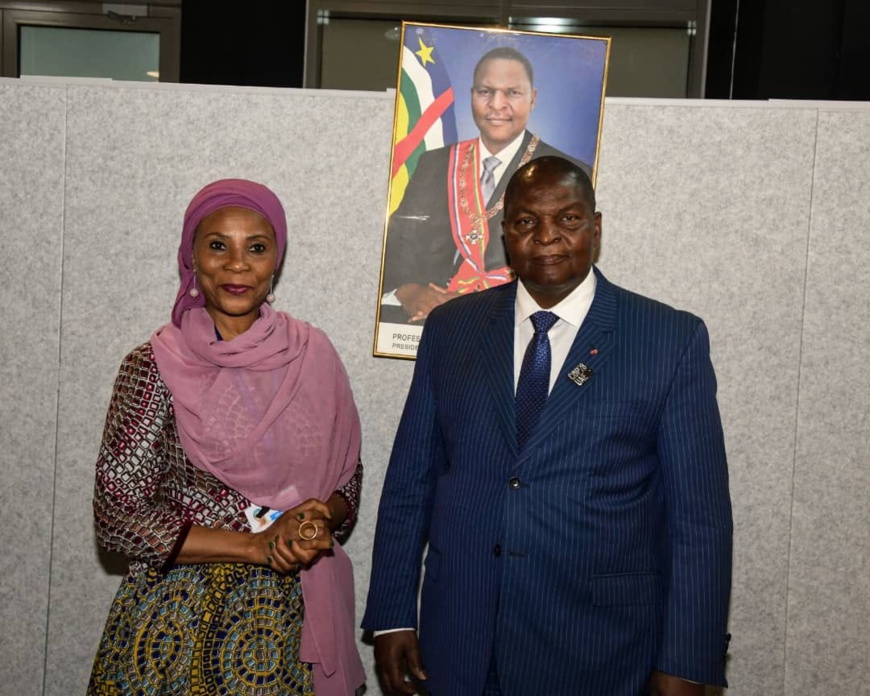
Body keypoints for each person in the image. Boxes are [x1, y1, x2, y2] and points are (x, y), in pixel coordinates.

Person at [363, 157, 733, 695]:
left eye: (569, 220)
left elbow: (699, 522)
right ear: (505, 232)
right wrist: (394, 613)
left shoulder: (668, 340)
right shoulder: (452, 329)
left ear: (597, 227)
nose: (547, 238)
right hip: (461, 641)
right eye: (526, 222)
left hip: (600, 651)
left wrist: (686, 662)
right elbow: (409, 484)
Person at [88, 179, 365, 696]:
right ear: (191, 256)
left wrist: (316, 518)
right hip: (176, 626)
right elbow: (118, 519)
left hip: (292, 621)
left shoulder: (314, 356)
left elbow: (347, 481)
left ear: (276, 259)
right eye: (218, 245)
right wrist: (256, 546)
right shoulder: (153, 366)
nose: (237, 265)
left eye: (256, 248)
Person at [380, 46, 593, 325]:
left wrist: (474, 305)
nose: (496, 104)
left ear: (533, 99)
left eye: (512, 93)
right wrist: (411, 292)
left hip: (513, 324)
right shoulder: (434, 163)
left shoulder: (568, 173)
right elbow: (398, 244)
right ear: (472, 96)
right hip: (426, 320)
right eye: (485, 91)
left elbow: (566, 269)